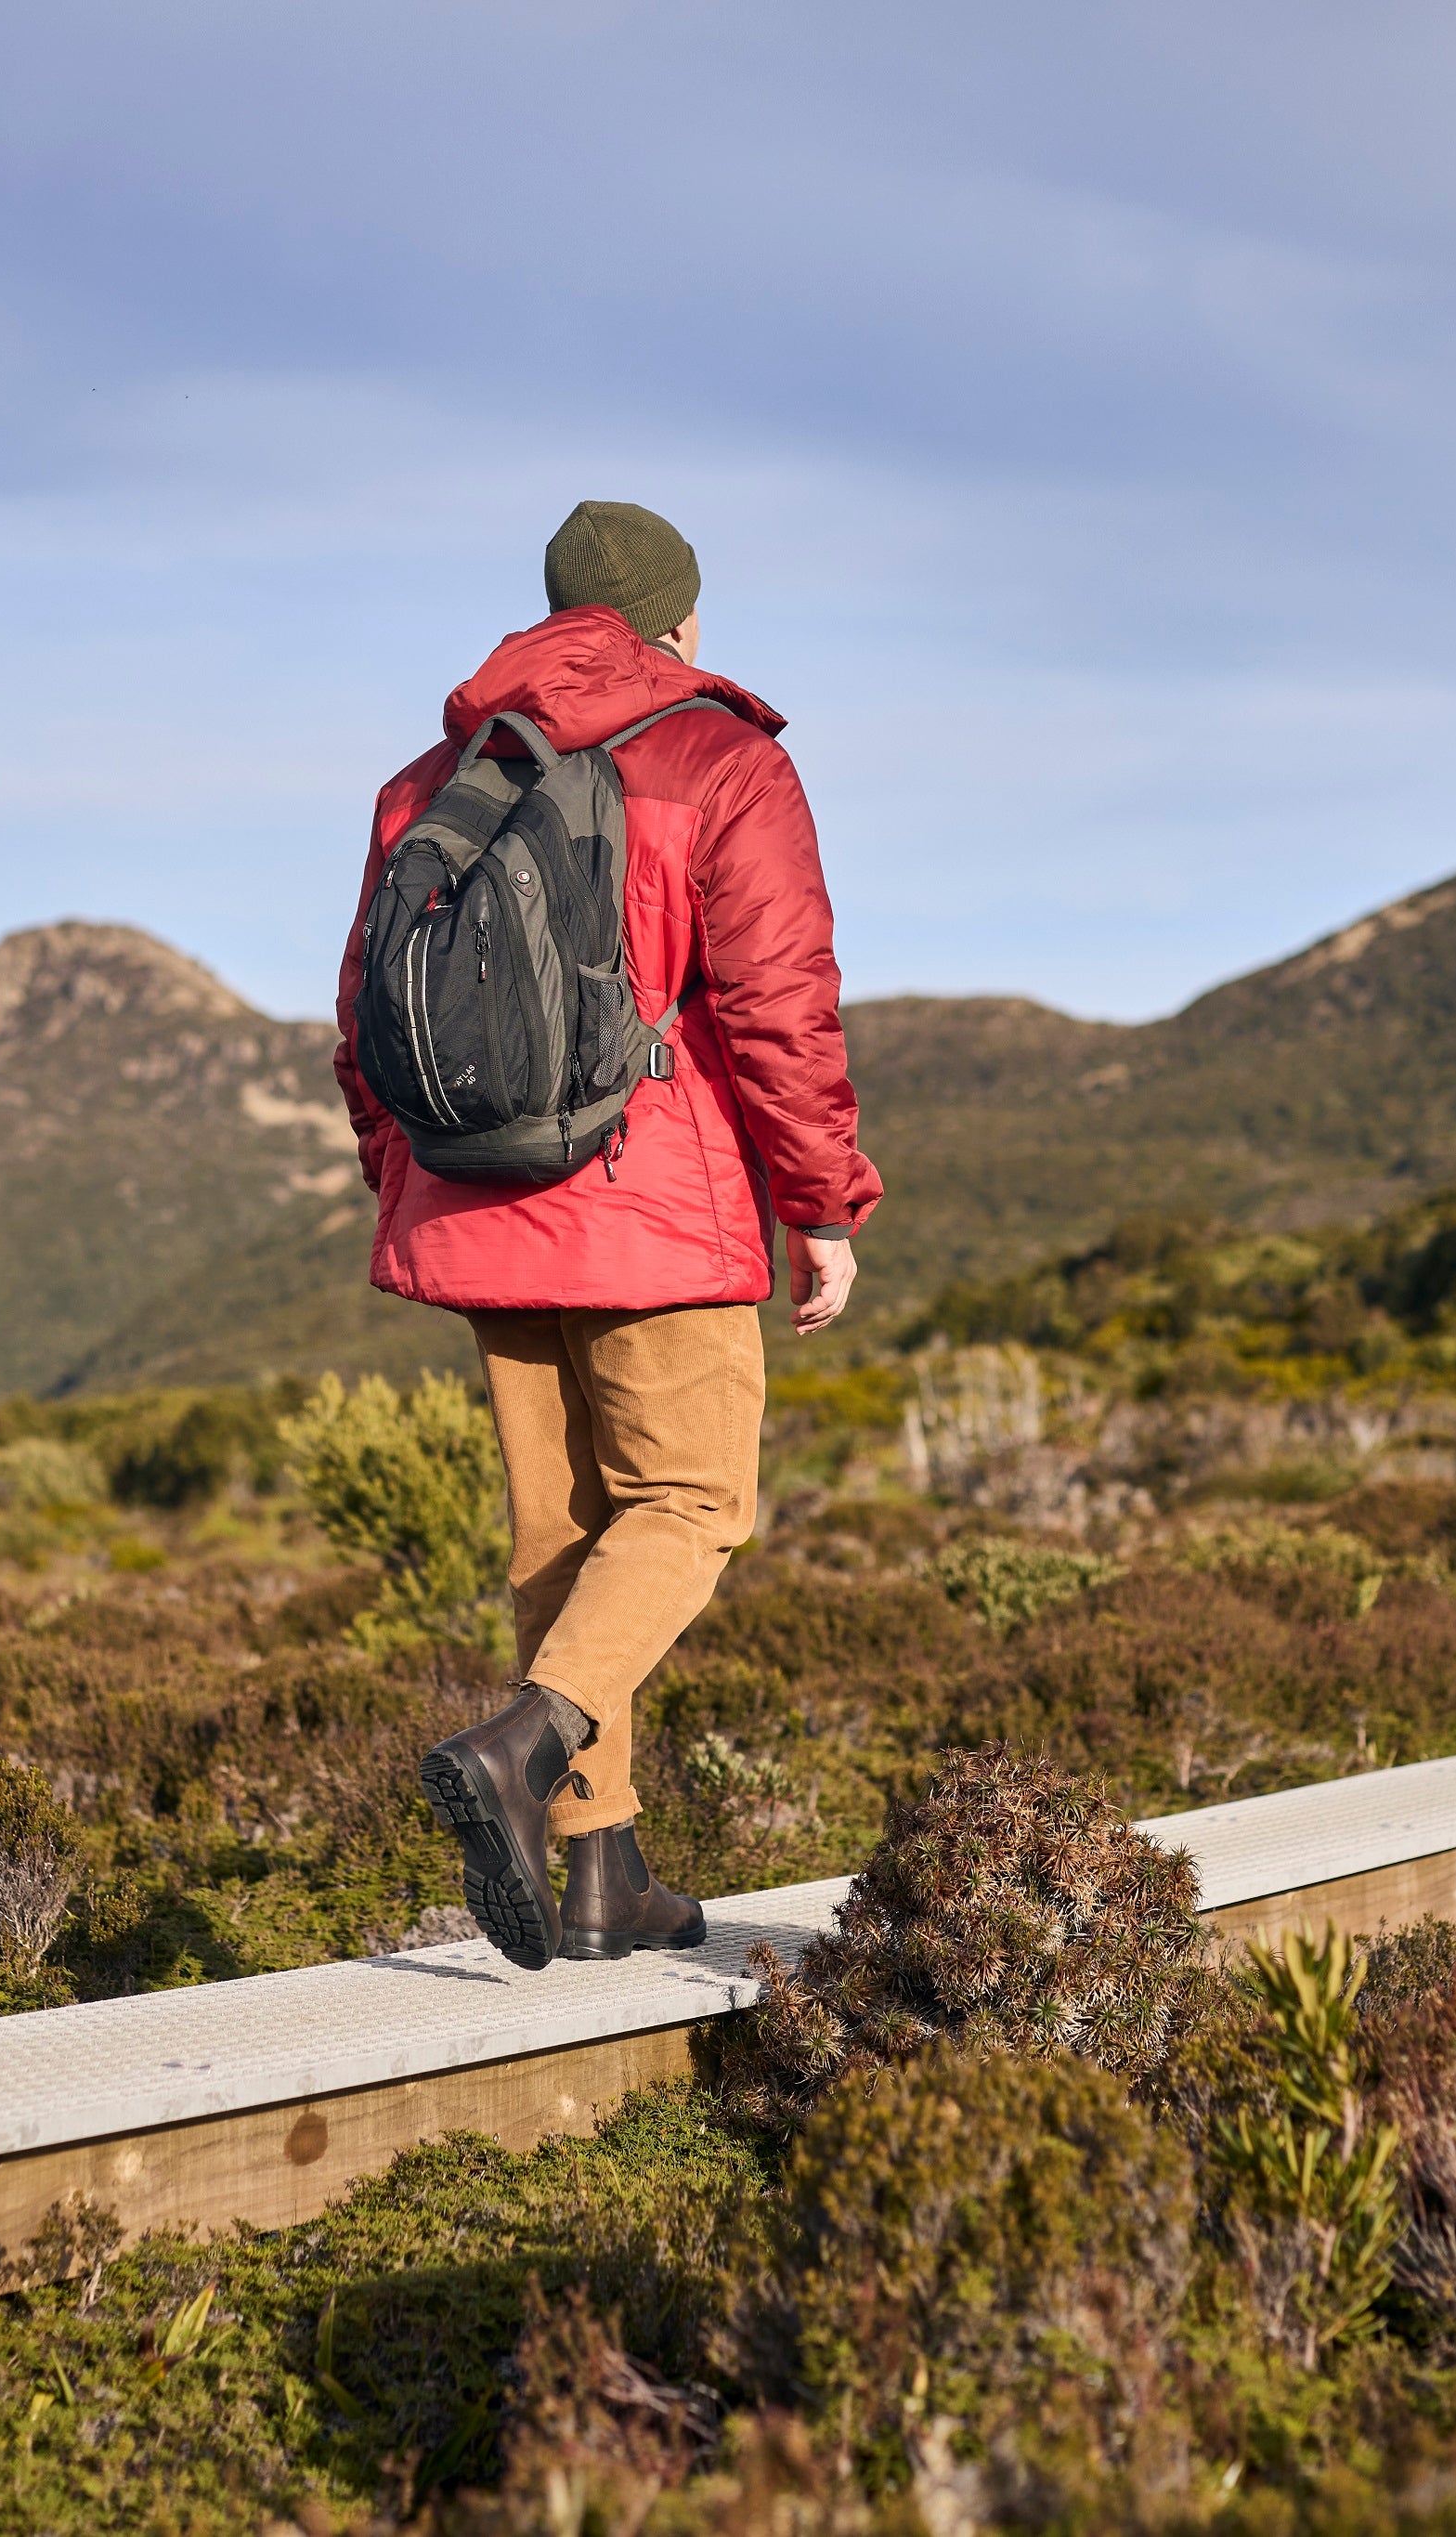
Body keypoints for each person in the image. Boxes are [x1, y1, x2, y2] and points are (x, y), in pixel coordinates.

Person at [332, 499, 884, 1971]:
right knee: (693, 1504)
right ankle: (528, 1750)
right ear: (681, 623)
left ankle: (601, 1877)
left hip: (478, 1199)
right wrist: (820, 1202)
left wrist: (411, 1175)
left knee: (563, 1536)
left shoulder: (434, 777)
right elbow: (777, 1005)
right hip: (657, 1214)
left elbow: (364, 1021)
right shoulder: (723, 756)